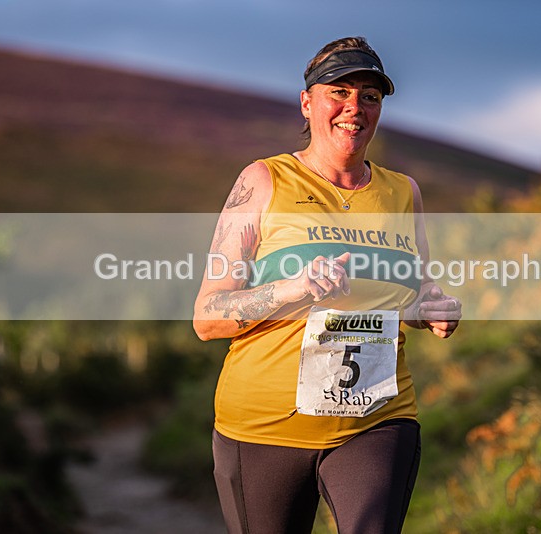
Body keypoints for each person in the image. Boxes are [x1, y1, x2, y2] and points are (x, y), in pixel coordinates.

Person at [193, 36, 461, 534]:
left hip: (377, 417)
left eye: (370, 96)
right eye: (339, 91)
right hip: (263, 426)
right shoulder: (264, 181)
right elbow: (208, 317)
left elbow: (418, 291)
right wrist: (293, 289)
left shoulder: (403, 192)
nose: (353, 108)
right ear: (308, 102)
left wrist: (435, 308)